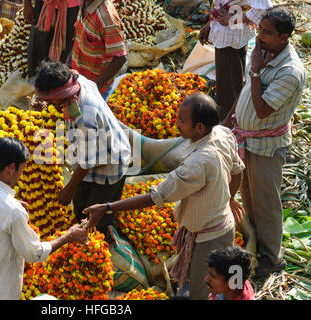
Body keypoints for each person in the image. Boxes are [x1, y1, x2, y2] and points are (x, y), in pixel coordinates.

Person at [84, 93, 246, 300]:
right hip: (220, 224)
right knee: (207, 282)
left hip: (209, 237)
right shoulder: (223, 133)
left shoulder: (198, 163)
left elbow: (155, 197)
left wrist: (107, 207)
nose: (176, 122)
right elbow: (237, 170)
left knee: (202, 291)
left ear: (200, 128)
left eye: (182, 120)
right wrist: (230, 198)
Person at [222, 6, 306, 278]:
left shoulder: (290, 71)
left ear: (284, 38)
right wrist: (227, 120)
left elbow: (262, 110)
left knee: (266, 201)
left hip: (267, 146)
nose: (260, 35)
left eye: (267, 33)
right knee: (249, 196)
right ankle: (254, 241)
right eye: (260, 29)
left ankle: (273, 256)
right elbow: (247, 88)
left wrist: (257, 71)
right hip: (247, 140)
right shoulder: (260, 50)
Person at [0, 137, 88, 300]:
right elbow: (35, 254)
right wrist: (69, 236)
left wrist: (11, 202)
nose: (21, 175)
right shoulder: (12, 211)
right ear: (11, 168)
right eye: (22, 170)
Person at [34, 60, 131, 239]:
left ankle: (103, 243)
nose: (46, 101)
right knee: (80, 208)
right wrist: (48, 103)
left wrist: (69, 189)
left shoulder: (85, 116)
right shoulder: (76, 81)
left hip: (110, 163)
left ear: (62, 93)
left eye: (49, 98)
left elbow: (88, 161)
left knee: (96, 217)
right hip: (92, 155)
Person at [199, 0, 272, 121]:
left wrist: (235, 18)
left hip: (230, 35)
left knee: (228, 90)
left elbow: (264, 10)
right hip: (231, 30)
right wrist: (211, 22)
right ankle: (233, 112)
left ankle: (229, 124)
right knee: (233, 79)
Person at [69, 0, 127, 100]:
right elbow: (79, 35)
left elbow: (120, 58)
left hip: (96, 88)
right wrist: (69, 60)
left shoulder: (106, 18)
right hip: (80, 80)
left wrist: (93, 88)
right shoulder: (84, 3)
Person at [24, 0, 80, 78]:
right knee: (37, 54)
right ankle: (35, 86)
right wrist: (27, 4)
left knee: (62, 59)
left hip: (72, 9)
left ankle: (56, 87)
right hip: (43, 5)